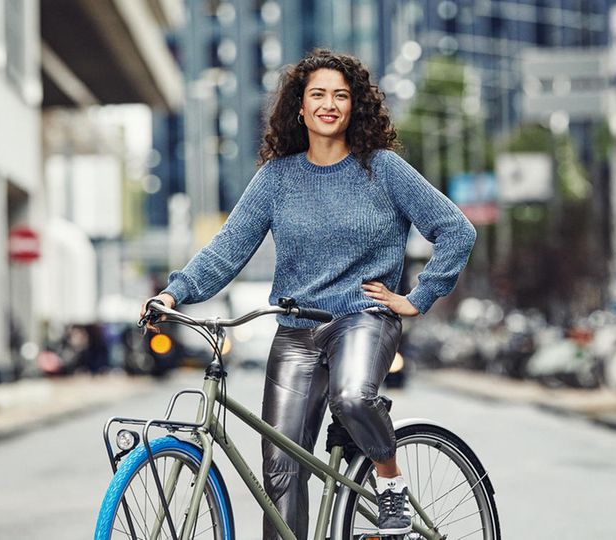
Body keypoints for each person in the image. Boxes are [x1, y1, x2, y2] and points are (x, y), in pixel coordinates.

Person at [141, 49, 475, 538]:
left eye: (341, 95)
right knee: (280, 474)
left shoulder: (382, 169)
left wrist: (418, 296)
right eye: (317, 94)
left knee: (352, 396)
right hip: (295, 331)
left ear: (354, 106)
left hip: (364, 317)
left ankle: (390, 482)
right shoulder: (276, 179)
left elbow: (456, 230)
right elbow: (226, 250)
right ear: (299, 106)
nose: (329, 104)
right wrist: (174, 295)